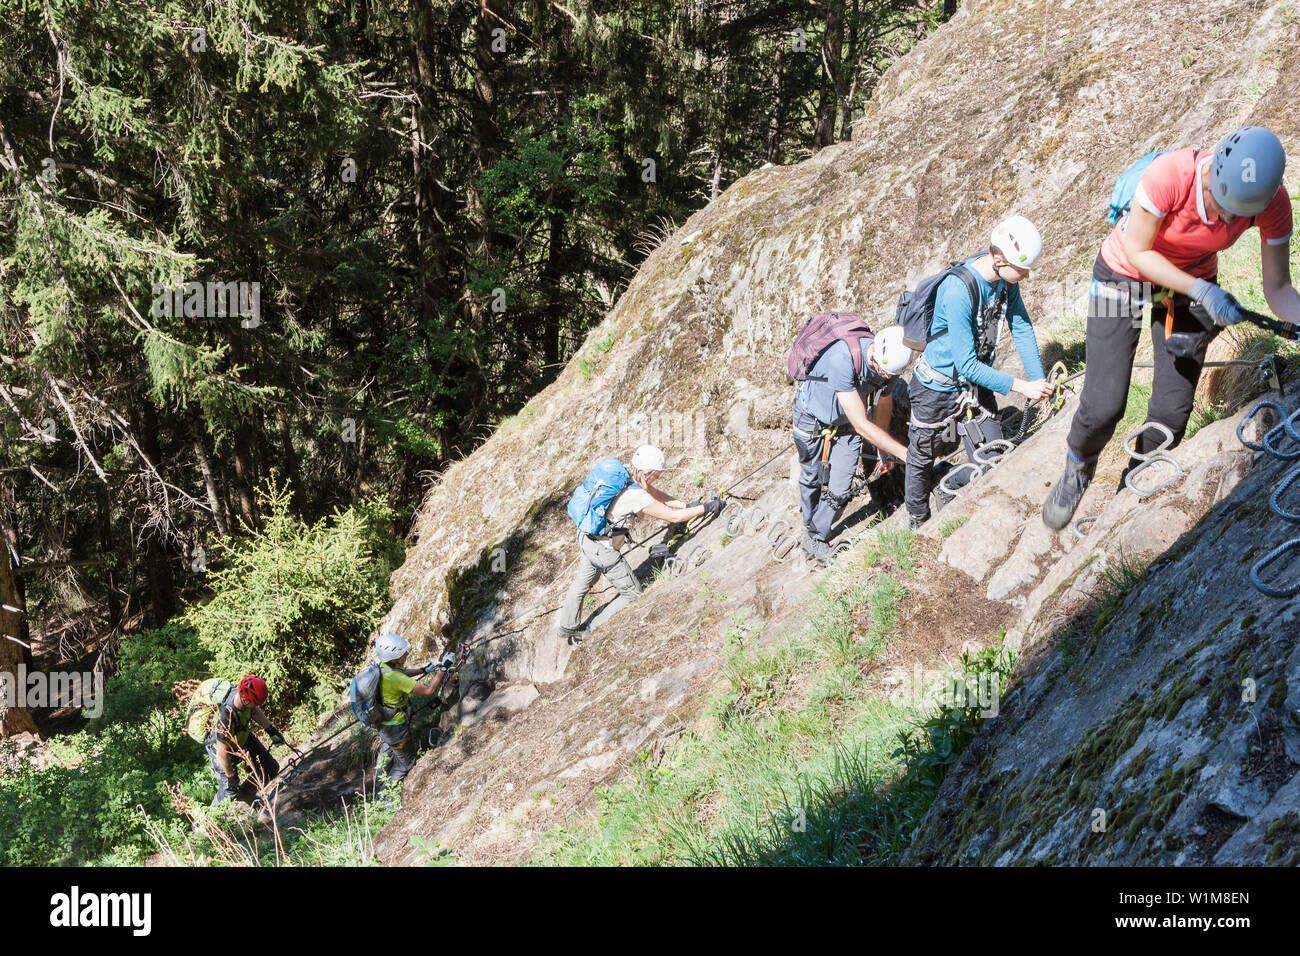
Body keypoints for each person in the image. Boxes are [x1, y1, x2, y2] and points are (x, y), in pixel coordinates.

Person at [1043, 126, 1298, 529]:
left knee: (1171, 414)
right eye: (1220, 205)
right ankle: (1079, 464)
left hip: (1192, 282)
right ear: (1213, 173)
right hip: (1125, 274)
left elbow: (1278, 288)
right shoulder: (1171, 176)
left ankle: (1128, 492)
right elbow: (1138, 252)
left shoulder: (1270, 202)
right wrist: (1204, 292)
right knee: (1104, 405)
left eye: (1237, 215)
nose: (1225, 219)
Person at [905, 216, 1053, 530]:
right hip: (937, 388)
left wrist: (1038, 379)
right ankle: (918, 520)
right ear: (999, 260)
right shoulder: (958, 290)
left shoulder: (1003, 279)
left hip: (975, 381)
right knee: (920, 457)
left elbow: (1021, 325)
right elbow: (966, 363)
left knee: (995, 459)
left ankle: (960, 493)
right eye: (1022, 268)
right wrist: (1022, 387)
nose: (1026, 275)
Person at [558, 445, 721, 645]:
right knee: (632, 593)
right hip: (603, 549)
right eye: (657, 475)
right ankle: (587, 633)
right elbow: (672, 517)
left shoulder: (626, 473)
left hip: (587, 537)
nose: (657, 478)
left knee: (582, 583)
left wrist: (687, 506)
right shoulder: (635, 495)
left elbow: (657, 494)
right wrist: (705, 508)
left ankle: (567, 628)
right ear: (647, 472)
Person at [793, 324, 914, 561]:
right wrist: (904, 453)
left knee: (840, 489)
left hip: (846, 420)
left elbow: (883, 403)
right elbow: (861, 424)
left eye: (892, 375)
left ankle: (815, 536)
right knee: (811, 477)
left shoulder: (889, 367)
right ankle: (810, 523)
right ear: (875, 356)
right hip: (811, 417)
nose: (888, 378)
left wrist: (882, 450)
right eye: (885, 373)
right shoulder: (843, 358)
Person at [371, 632, 456, 799]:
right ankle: (385, 801)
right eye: (403, 652)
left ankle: (376, 794)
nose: (407, 653)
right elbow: (429, 690)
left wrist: (424, 669)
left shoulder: (383, 667)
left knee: (385, 758)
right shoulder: (396, 678)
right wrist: (443, 669)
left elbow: (402, 672)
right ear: (394, 657)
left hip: (383, 725)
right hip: (396, 728)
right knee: (405, 764)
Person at [206, 674, 286, 806]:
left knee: (270, 767)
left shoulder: (245, 699)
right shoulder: (225, 716)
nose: (256, 706)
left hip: (241, 736)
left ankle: (245, 794)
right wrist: (231, 778)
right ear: (245, 700)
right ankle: (207, 821)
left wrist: (270, 729)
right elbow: (222, 753)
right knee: (228, 792)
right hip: (221, 750)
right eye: (254, 703)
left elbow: (254, 711)